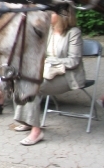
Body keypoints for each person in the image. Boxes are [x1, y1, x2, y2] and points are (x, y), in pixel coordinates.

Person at [13, 11, 84, 146]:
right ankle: (27, 121)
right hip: (47, 71)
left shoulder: (74, 33)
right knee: (22, 81)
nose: (47, 16)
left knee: (34, 88)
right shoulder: (48, 31)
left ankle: (36, 131)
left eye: (51, 13)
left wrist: (50, 61)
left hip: (68, 75)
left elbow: (74, 61)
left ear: (63, 16)